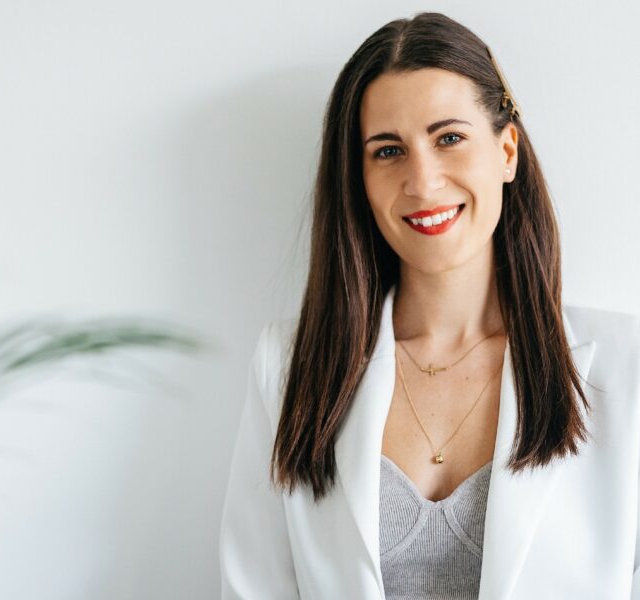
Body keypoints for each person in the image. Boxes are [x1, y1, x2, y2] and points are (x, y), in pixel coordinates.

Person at [219, 11, 640, 600]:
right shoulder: (286, 367)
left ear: (507, 151)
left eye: (448, 138)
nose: (422, 181)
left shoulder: (626, 365)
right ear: (359, 180)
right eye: (388, 150)